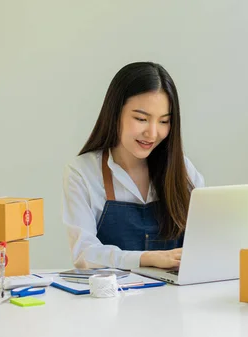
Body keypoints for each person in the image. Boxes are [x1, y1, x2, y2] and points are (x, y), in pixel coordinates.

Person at [62, 62, 205, 271]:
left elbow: (206, 239)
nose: (153, 133)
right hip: (112, 300)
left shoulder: (182, 169)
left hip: (174, 299)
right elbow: (85, 254)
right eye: (141, 119)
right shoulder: (82, 173)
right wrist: (147, 258)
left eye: (164, 121)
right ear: (115, 113)